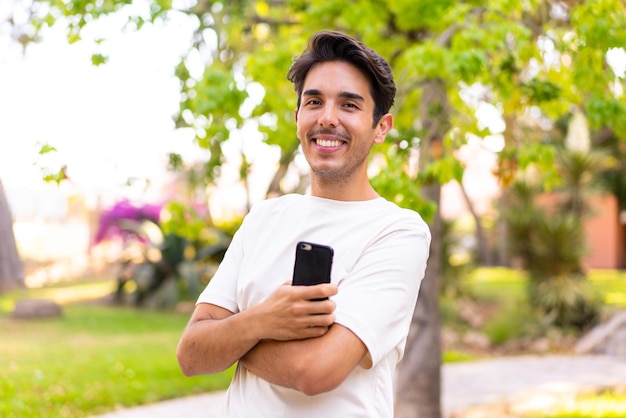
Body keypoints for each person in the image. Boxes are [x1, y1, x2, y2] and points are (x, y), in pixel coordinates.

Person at [176, 30, 431, 417]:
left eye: (349, 105)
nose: (328, 118)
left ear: (381, 127)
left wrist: (231, 342)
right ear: (297, 117)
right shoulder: (264, 218)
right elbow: (191, 354)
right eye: (314, 102)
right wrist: (264, 319)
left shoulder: (397, 231)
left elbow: (315, 371)